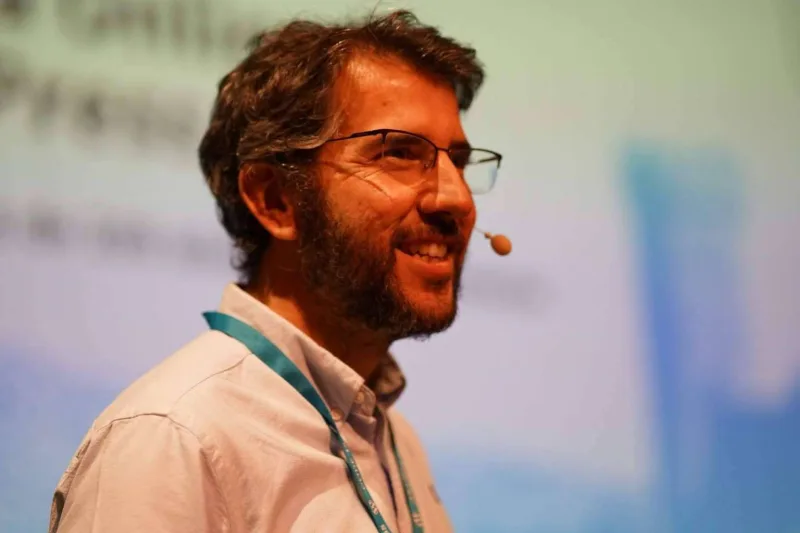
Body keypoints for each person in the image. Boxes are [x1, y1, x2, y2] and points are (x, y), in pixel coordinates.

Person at [49, 9, 502, 533]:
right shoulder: (176, 438)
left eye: (458, 161)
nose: (456, 198)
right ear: (275, 200)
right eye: (399, 153)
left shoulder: (396, 441)